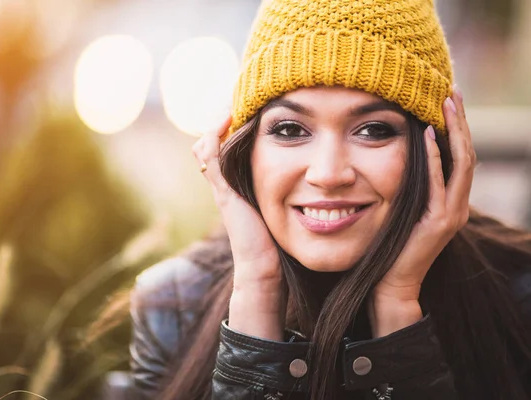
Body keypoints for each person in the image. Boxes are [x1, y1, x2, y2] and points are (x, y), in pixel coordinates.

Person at [128, 0, 531, 399]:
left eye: (373, 130)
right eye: (289, 130)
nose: (327, 174)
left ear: (441, 149)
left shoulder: (519, 297)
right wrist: (257, 292)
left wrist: (398, 306)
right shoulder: (173, 307)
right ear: (245, 148)